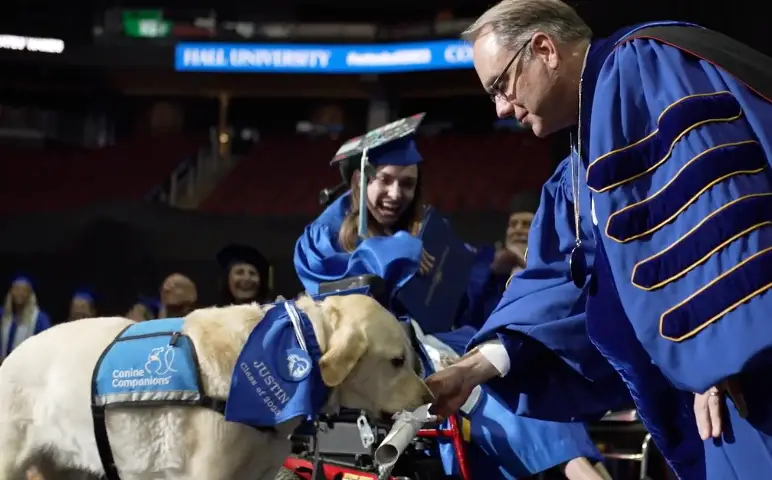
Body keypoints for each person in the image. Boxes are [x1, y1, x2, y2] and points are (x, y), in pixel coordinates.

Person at [428, 1, 772, 478]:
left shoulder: (644, 66)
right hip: (717, 386)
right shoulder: (584, 157)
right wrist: (475, 368)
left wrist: (717, 351)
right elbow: (568, 281)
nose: (502, 108)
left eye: (500, 85)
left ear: (544, 49)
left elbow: (719, 201)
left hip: (746, 374)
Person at [294, 119, 609, 480]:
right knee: (478, 382)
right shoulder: (324, 234)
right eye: (385, 179)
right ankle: (579, 469)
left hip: (439, 342)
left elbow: (457, 290)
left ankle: (580, 465)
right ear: (359, 180)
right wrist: (390, 253)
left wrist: (492, 269)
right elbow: (336, 301)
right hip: (386, 361)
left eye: (407, 184)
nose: (396, 194)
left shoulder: (424, 230)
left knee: (511, 366)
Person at [0, 275, 52, 363]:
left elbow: (45, 347)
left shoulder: (40, 318)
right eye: (16, 289)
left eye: (24, 290)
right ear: (11, 292)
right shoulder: (3, 314)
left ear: (30, 294)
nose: (19, 293)